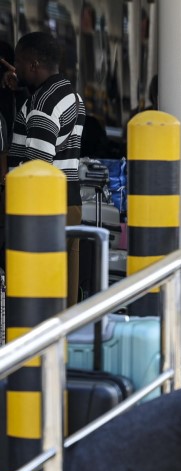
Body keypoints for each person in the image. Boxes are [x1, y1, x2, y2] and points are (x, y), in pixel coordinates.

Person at [4, 31, 86, 300]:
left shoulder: (42, 104)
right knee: (65, 295)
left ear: (33, 64)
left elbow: (37, 169)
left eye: (18, 61)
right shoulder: (71, 95)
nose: (15, 67)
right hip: (70, 202)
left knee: (39, 297)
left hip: (44, 209)